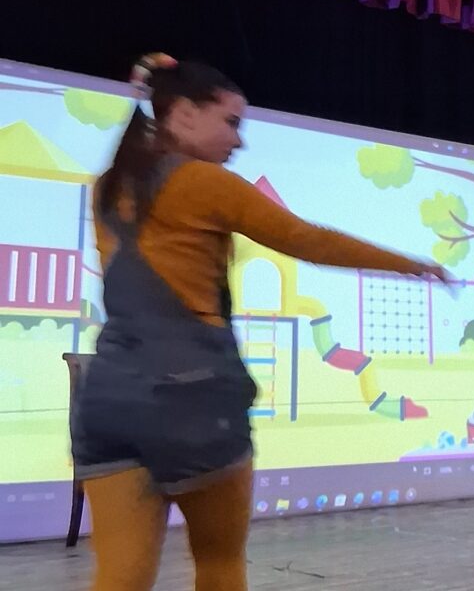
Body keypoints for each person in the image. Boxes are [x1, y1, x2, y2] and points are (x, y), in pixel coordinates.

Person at [70, 54, 449, 591]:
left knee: (119, 577)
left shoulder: (107, 188)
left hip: (107, 401)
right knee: (220, 565)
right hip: (191, 399)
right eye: (230, 122)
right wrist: (411, 264)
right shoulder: (204, 183)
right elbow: (307, 241)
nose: (239, 141)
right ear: (183, 114)